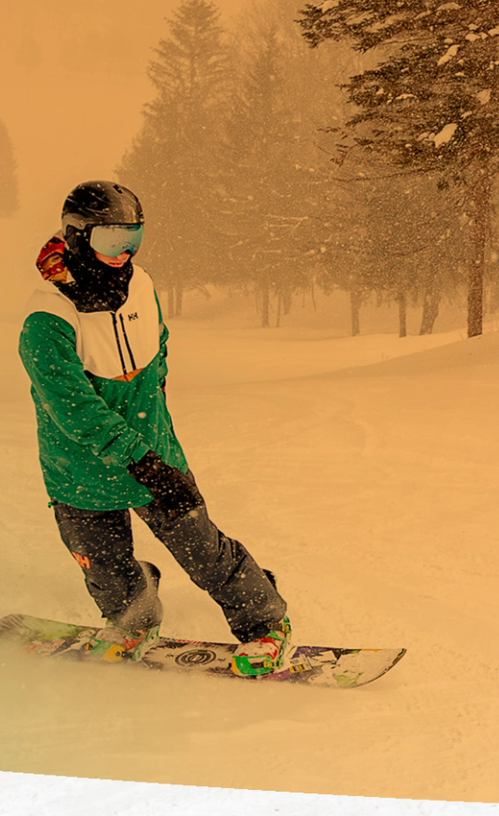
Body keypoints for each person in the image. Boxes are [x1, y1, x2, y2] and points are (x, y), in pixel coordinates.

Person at [17, 180, 292, 677]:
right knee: (103, 564)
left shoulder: (142, 284)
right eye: (110, 240)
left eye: (133, 238)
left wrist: (154, 424)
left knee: (203, 548)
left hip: (153, 450)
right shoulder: (46, 319)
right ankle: (134, 612)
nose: (123, 253)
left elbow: (158, 344)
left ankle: (264, 624)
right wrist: (138, 458)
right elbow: (76, 410)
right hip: (80, 464)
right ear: (78, 236)